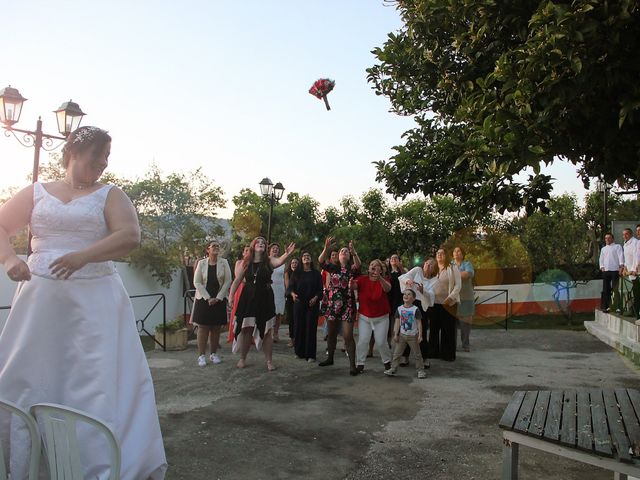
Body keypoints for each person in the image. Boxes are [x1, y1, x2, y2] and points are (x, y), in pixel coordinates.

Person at [0, 126, 166, 479]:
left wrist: (82, 257)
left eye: (107, 157)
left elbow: (129, 236)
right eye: (99, 155)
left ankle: (92, 466)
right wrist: (11, 261)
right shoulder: (36, 192)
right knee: (29, 378)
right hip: (39, 304)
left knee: (91, 382)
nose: (104, 163)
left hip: (94, 304)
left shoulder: (110, 194)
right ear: (74, 152)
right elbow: (1, 226)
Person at [229, 236, 295, 371]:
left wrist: (287, 254)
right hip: (248, 297)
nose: (260, 244)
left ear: (266, 247)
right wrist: (230, 296)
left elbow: (279, 261)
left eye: (263, 243)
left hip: (265, 296)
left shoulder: (269, 260)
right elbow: (237, 281)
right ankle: (242, 358)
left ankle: (269, 361)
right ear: (253, 246)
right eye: (257, 242)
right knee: (246, 329)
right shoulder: (246, 262)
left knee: (267, 331)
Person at [318, 236, 361, 375]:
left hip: (347, 304)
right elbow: (320, 261)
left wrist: (353, 252)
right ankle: (330, 358)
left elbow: (358, 265)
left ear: (348, 256)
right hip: (332, 303)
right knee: (331, 333)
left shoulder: (352, 269)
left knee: (348, 335)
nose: (343, 252)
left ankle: (352, 366)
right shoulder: (333, 267)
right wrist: (326, 248)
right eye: (341, 250)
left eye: (346, 251)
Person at [192, 240, 232, 366]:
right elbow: (197, 282)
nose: (216, 248)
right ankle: (201, 356)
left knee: (216, 328)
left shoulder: (224, 263)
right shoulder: (201, 263)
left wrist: (219, 297)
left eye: (217, 246)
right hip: (203, 300)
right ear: (207, 249)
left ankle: (213, 354)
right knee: (203, 328)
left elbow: (228, 281)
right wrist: (208, 297)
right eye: (213, 246)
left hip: (219, 300)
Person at [353, 259, 392, 373]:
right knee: (363, 340)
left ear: (381, 269)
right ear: (368, 268)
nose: (373, 267)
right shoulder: (362, 279)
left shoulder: (385, 280)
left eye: (376, 265)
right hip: (365, 317)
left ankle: (387, 363)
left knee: (381, 342)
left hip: (381, 317)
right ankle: (360, 364)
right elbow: (353, 286)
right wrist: (350, 283)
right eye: (371, 265)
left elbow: (388, 288)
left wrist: (379, 277)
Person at [398, 258, 437, 365]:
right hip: (411, 303)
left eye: (431, 265)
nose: (428, 266)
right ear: (424, 264)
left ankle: (425, 358)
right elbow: (403, 277)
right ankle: (405, 356)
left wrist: (422, 291)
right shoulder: (417, 270)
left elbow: (432, 297)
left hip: (422, 307)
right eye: (427, 264)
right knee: (407, 329)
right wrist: (408, 281)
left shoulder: (434, 280)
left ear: (434, 269)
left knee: (421, 331)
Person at [287, 251, 323, 362]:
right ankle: (299, 352)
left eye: (308, 256)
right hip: (299, 303)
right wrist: (292, 294)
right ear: (301, 260)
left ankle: (311, 355)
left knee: (311, 328)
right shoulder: (296, 274)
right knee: (299, 327)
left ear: (311, 260)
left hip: (312, 304)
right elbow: (290, 288)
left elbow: (320, 290)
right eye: (304, 256)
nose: (306, 257)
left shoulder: (316, 274)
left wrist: (316, 298)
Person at [384, 289, 426, 379]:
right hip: (402, 336)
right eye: (405, 294)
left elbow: (419, 323)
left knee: (417, 354)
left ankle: (420, 370)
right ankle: (393, 368)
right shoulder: (399, 309)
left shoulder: (415, 309)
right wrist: (395, 334)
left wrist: (420, 335)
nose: (406, 295)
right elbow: (397, 322)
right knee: (397, 353)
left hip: (413, 336)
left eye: (409, 294)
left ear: (414, 298)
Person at [429, 248, 461, 361]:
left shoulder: (452, 268)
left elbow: (458, 285)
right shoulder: (433, 269)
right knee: (433, 328)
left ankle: (447, 354)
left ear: (446, 256)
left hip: (448, 303)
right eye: (438, 253)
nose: (439, 255)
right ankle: (433, 352)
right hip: (434, 304)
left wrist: (451, 297)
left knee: (448, 329)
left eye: (442, 253)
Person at [452, 246, 475, 352]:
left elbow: (468, 274)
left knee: (465, 323)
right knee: (452, 323)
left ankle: (466, 344)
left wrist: (453, 275)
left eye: (459, 251)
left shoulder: (467, 264)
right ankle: (452, 344)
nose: (457, 253)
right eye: (455, 251)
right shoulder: (450, 264)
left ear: (462, 254)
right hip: (452, 298)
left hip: (466, 298)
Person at [227, 245, 250, 344]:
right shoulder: (239, 263)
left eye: (250, 250)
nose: (248, 252)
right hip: (240, 288)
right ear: (243, 253)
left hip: (250, 289)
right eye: (246, 250)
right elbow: (238, 276)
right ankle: (235, 333)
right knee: (237, 311)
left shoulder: (253, 263)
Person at [599, 232, 624, 312]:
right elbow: (601, 259)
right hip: (606, 271)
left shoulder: (617, 247)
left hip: (615, 270)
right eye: (606, 238)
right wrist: (602, 267)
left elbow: (621, 256)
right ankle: (608, 306)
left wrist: (621, 266)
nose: (607, 239)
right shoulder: (603, 249)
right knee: (606, 289)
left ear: (612, 239)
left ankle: (618, 307)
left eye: (609, 238)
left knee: (615, 289)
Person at [269, 243, 286, 342]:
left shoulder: (282, 262)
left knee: (278, 312)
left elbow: (285, 277)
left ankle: (275, 333)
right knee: (269, 311)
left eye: (277, 248)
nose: (275, 250)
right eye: (273, 248)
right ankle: (268, 332)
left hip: (280, 288)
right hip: (269, 287)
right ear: (269, 250)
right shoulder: (266, 260)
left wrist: (286, 290)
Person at [284, 257, 300, 347]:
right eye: (292, 263)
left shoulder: (301, 273)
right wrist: (292, 294)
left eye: (296, 263)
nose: (294, 264)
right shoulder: (287, 273)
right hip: (290, 298)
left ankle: (299, 339)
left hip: (300, 298)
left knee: (299, 319)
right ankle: (292, 339)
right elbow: (288, 286)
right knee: (291, 320)